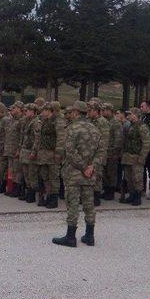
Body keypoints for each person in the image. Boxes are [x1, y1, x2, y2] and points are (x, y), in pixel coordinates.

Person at [52, 101, 103, 247]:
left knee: (72, 204)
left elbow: (70, 151)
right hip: (89, 174)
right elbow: (101, 151)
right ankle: (89, 235)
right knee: (89, 204)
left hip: (74, 173)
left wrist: (83, 166)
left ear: (75, 112)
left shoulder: (72, 128)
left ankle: (70, 237)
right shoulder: (94, 129)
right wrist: (91, 167)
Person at [120, 108, 150, 206]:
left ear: (137, 115)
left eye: (131, 114)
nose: (129, 116)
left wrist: (142, 157)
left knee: (137, 177)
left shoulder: (142, 127)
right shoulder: (129, 126)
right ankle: (131, 195)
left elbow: (146, 144)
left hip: (136, 156)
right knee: (129, 177)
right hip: (128, 156)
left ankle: (137, 196)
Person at [34, 104, 63, 209]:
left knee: (54, 177)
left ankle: (54, 199)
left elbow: (61, 138)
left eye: (44, 110)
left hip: (52, 153)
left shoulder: (57, 121)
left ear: (49, 111)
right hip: (43, 154)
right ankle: (48, 196)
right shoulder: (44, 121)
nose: (42, 113)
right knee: (45, 176)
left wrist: (58, 153)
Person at [87, 102, 109, 206]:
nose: (88, 112)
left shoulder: (102, 122)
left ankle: (96, 198)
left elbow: (104, 140)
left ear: (96, 111)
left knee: (97, 175)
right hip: (90, 153)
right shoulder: (91, 121)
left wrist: (100, 155)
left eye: (90, 110)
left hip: (98, 153)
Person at [20, 104, 41, 203]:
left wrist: (34, 151)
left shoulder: (36, 122)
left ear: (34, 112)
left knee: (32, 174)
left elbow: (37, 139)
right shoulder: (27, 121)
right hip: (25, 151)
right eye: (26, 110)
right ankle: (28, 192)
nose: (26, 112)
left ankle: (32, 194)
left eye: (28, 110)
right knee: (26, 174)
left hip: (31, 151)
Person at [102, 103, 123, 200]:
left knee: (111, 173)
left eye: (105, 110)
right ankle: (106, 190)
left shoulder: (115, 123)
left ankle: (111, 192)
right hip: (104, 152)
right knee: (105, 173)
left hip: (112, 153)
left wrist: (115, 152)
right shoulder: (104, 121)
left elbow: (118, 139)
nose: (103, 112)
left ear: (110, 111)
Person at [3, 101, 24, 197]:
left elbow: (22, 137)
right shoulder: (11, 120)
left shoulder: (21, 121)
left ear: (19, 109)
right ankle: (13, 188)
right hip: (10, 149)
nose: (12, 110)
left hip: (16, 150)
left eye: (15, 108)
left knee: (17, 170)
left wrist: (19, 149)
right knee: (12, 170)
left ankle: (17, 189)